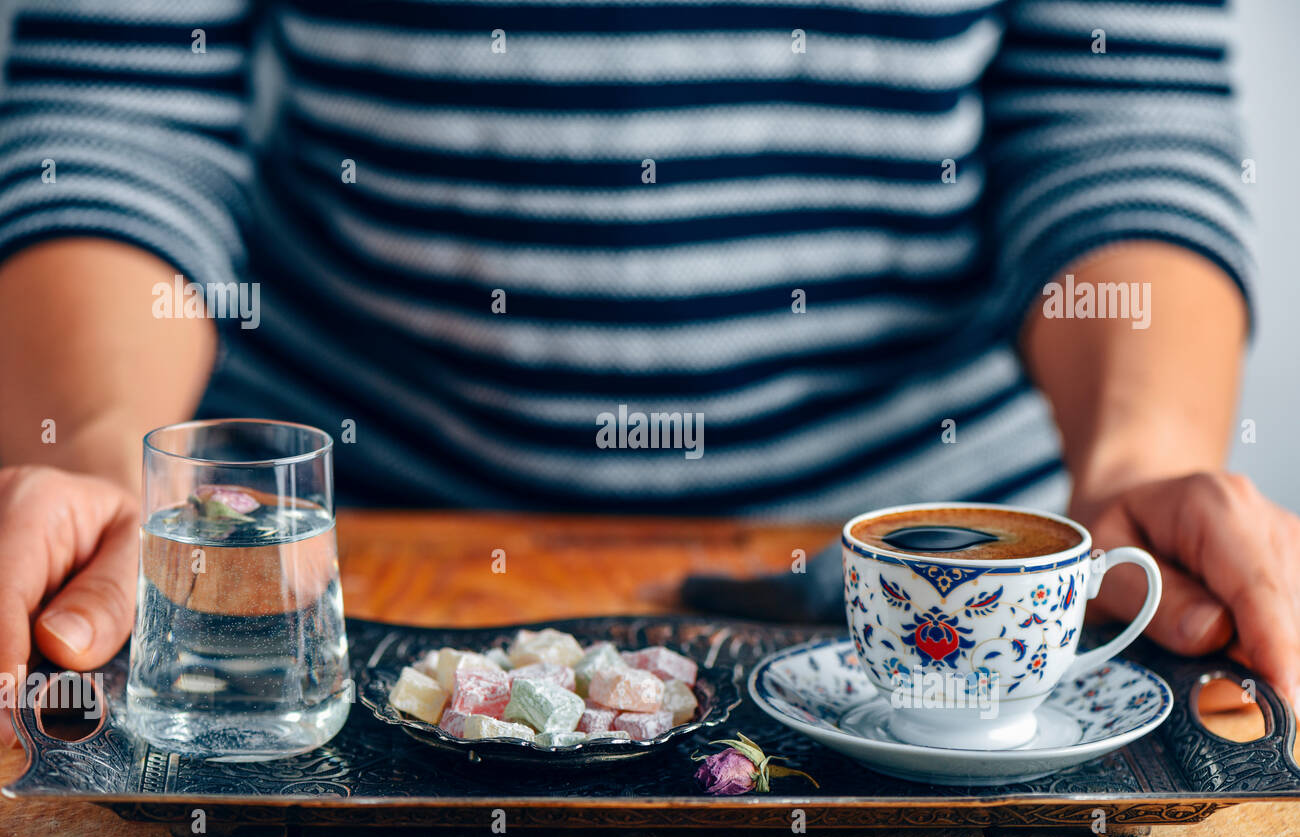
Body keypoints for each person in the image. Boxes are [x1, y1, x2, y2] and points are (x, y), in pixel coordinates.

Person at [1, 0, 1296, 740]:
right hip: (362, 540)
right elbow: (122, 108)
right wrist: (105, 444)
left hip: (927, 545)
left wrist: (1134, 462)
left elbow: (1117, 113)